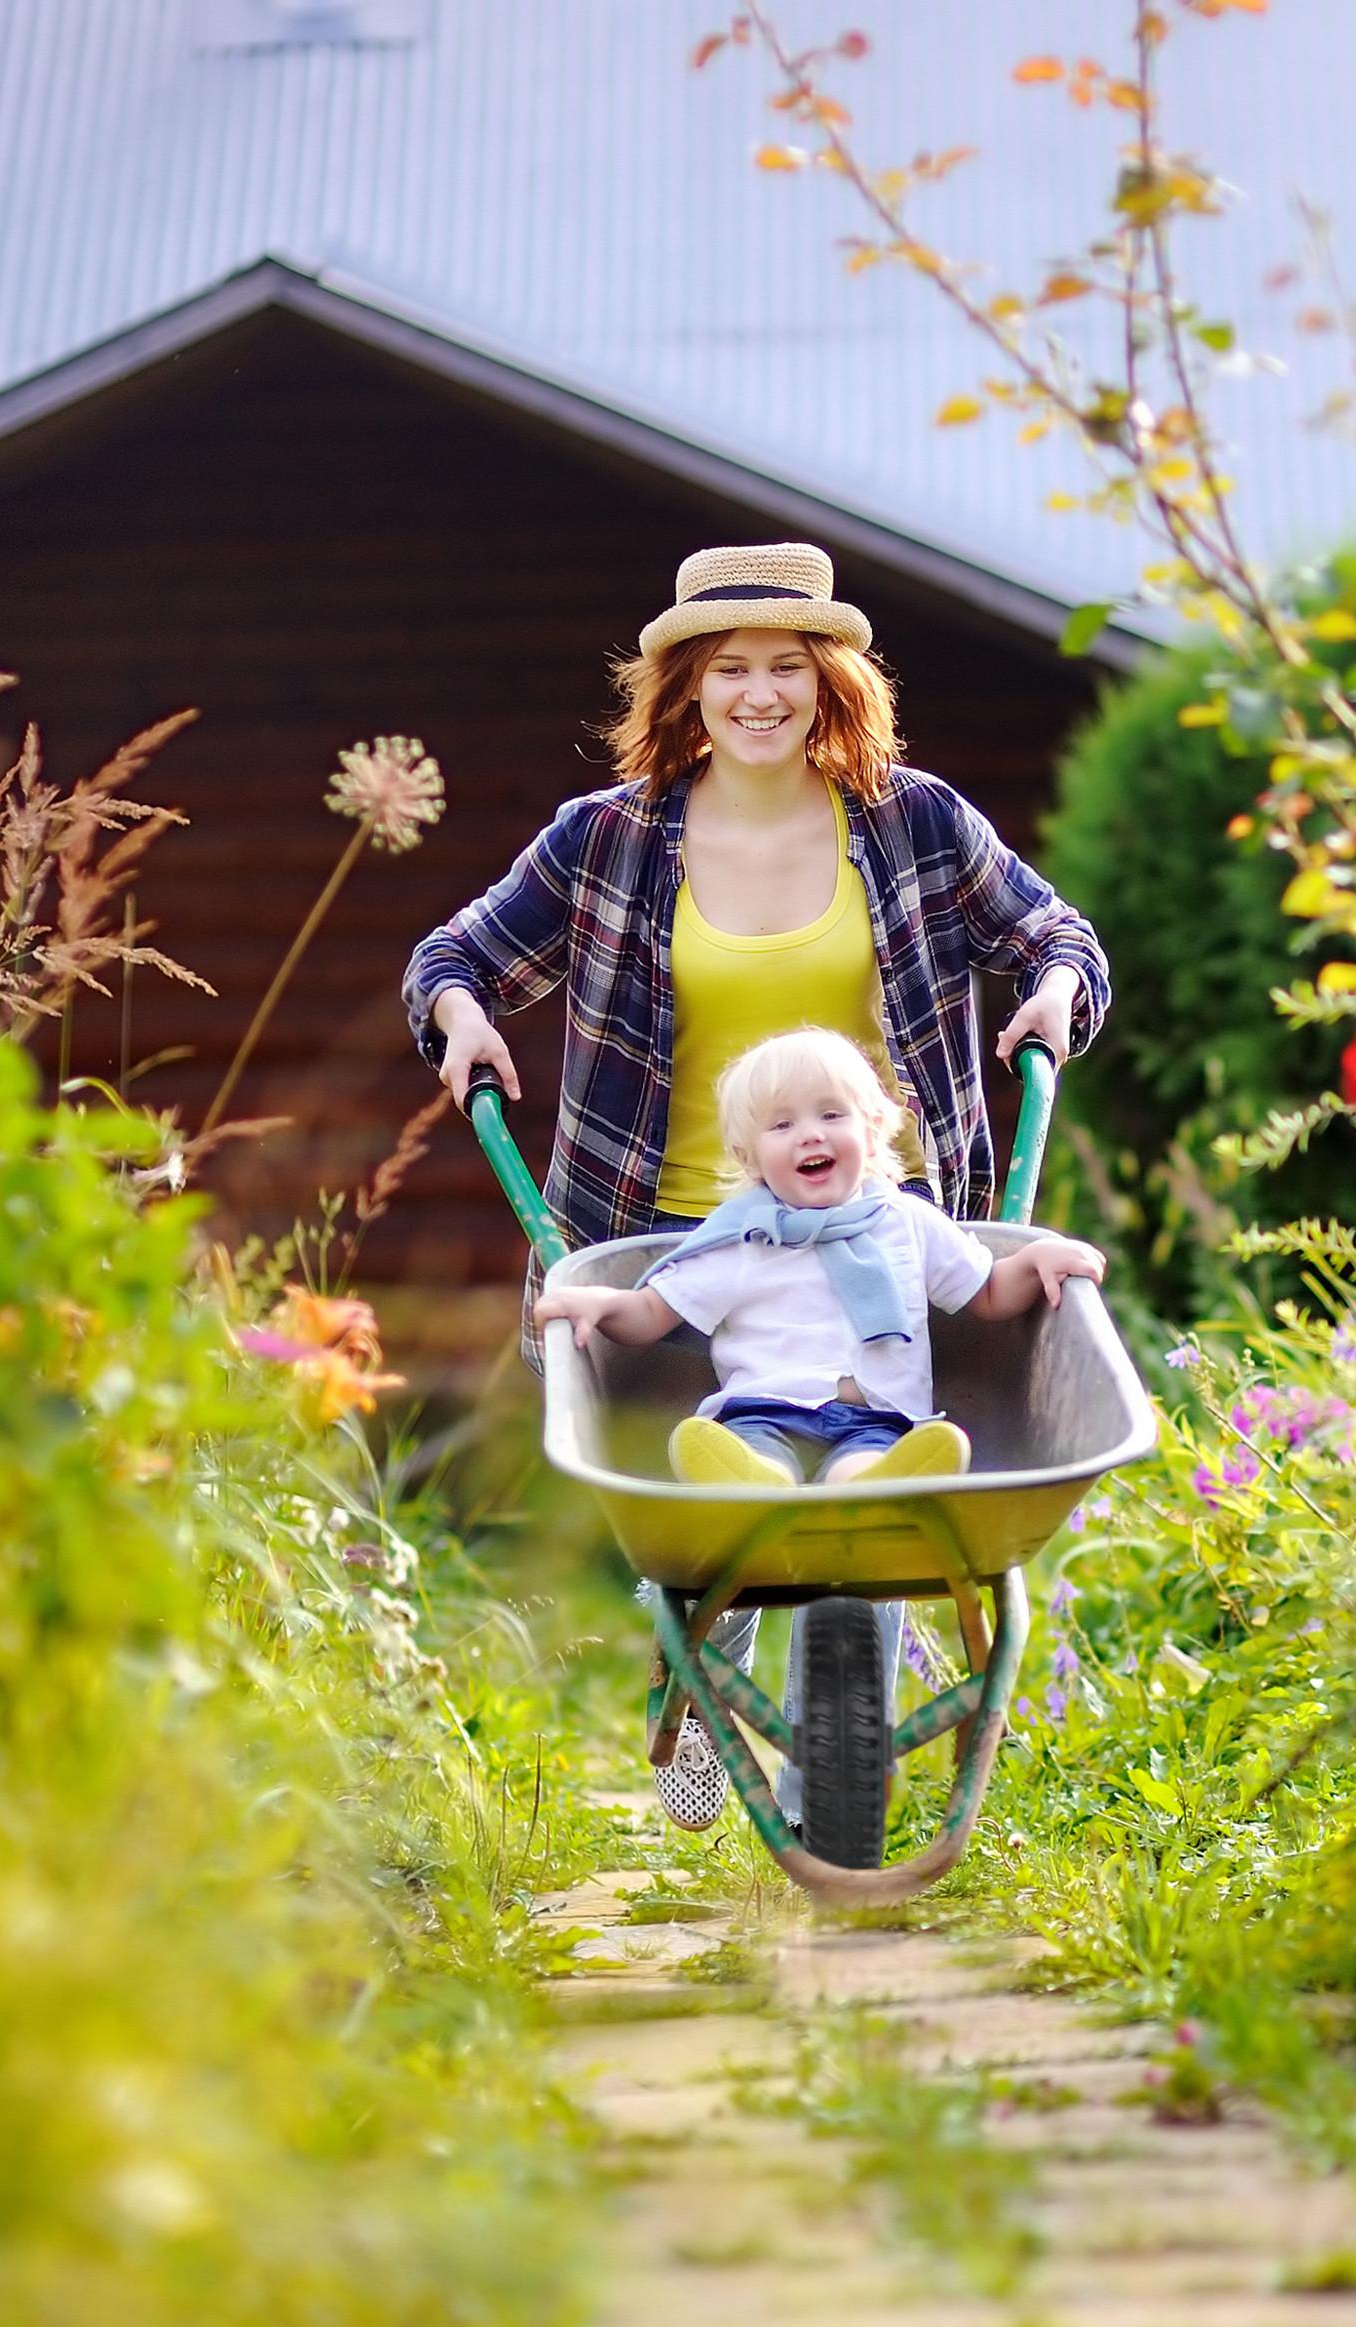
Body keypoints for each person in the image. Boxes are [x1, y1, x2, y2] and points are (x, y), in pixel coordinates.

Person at [404, 539, 1110, 1831]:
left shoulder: (913, 821)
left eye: (788, 666)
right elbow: (457, 952)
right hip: (669, 1234)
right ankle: (705, 1681)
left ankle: (844, 1733)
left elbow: (1053, 933)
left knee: (880, 1473)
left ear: (831, 680)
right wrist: (461, 1015)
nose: (760, 695)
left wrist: (1056, 990)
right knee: (713, 1482)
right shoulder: (606, 841)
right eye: (730, 669)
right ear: (685, 689)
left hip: (877, 1217)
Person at [535, 1027, 1104, 1489]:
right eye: (782, 1125)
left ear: (874, 1128)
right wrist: (603, 1303)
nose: (810, 1136)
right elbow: (654, 1312)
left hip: (879, 1421)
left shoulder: (908, 1220)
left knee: (863, 1467)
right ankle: (751, 1485)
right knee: (759, 1456)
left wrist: (1035, 1260)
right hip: (762, 1412)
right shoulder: (743, 1236)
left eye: (832, 1115)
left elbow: (986, 1293)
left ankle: (879, 1484)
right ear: (749, 1156)